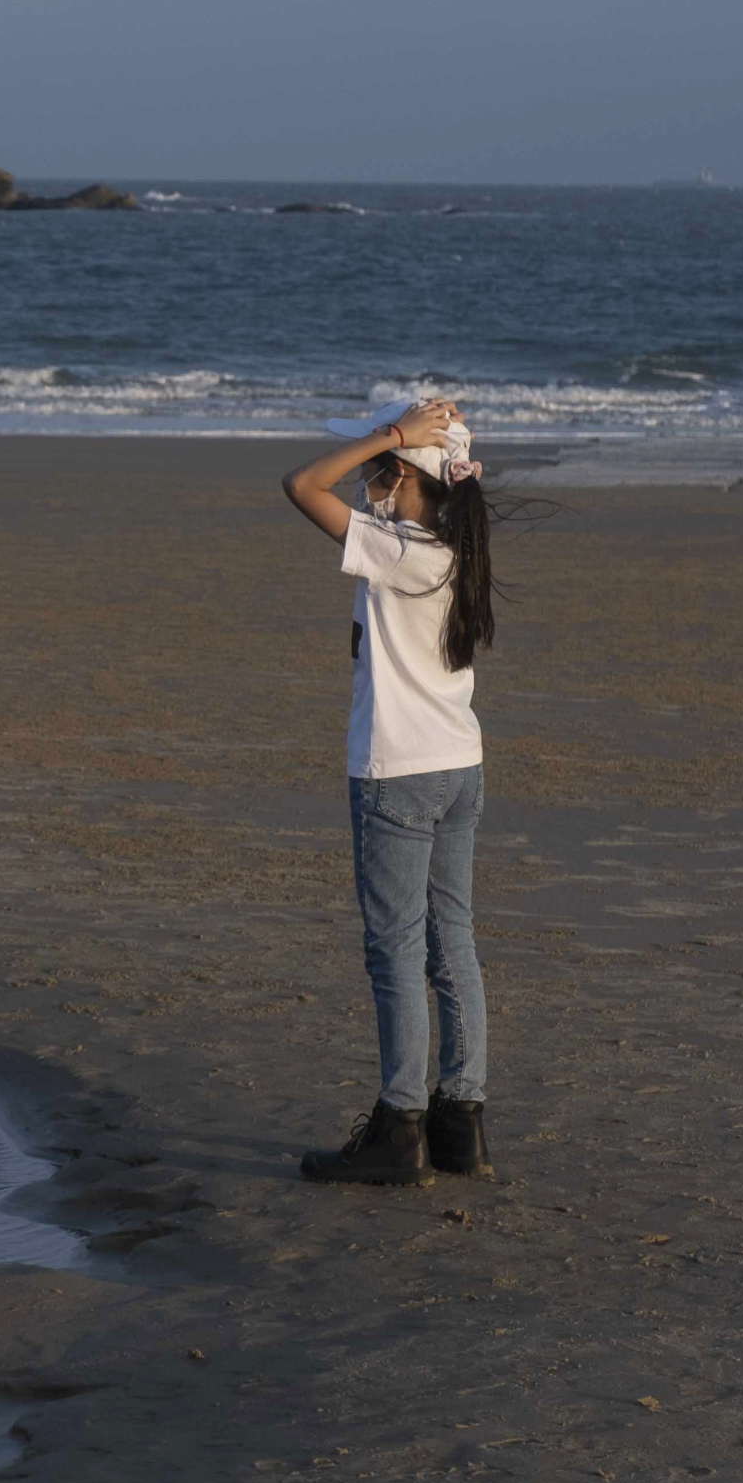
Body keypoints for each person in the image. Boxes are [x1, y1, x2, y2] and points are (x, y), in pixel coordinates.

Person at [279, 395, 496, 1185]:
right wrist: (406, 441)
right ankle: (460, 1119)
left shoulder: (401, 550)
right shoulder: (453, 547)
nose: (368, 475)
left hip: (398, 774)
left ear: (405, 475)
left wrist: (395, 432)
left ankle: (402, 1125)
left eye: (379, 469)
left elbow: (302, 484)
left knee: (397, 952)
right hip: (457, 768)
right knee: (451, 944)